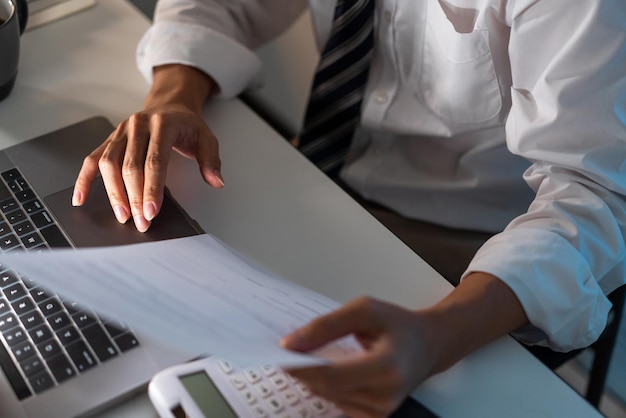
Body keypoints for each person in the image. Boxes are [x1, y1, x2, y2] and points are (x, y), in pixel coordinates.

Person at [72, 1, 626, 416]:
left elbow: (596, 196)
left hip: (475, 253)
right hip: (321, 187)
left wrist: (438, 336)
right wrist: (174, 95)